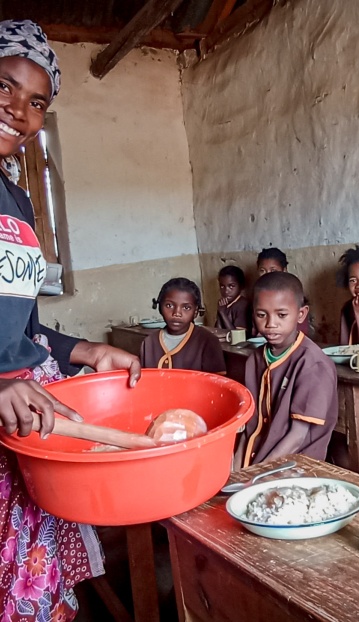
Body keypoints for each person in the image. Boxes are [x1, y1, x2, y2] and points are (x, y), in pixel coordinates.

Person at [0, 20, 141, 620]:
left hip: (22, 419)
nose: (18, 110)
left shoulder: (16, 199)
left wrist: (85, 351)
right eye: (4, 86)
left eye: (37, 102)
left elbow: (20, 326)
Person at [234, 272, 337, 468]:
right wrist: (235, 473)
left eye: (281, 315)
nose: (271, 324)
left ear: (301, 314)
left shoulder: (313, 364)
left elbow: (297, 438)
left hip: (293, 469)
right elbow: (249, 430)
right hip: (254, 464)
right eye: (261, 314)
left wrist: (254, 476)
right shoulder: (255, 359)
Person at [141, 277, 226, 374]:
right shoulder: (149, 343)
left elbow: (216, 384)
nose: (177, 313)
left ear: (196, 312)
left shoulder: (208, 341)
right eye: (169, 305)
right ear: (160, 307)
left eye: (186, 307)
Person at [256, 247, 312, 336]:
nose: (267, 275)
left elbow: (300, 333)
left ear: (284, 270)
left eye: (273, 270)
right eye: (262, 270)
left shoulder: (291, 296)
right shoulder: (259, 296)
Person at [215, 265, 252, 332]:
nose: (226, 291)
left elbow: (237, 335)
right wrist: (220, 312)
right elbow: (218, 330)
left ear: (241, 286)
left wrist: (222, 313)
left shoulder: (243, 305)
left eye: (231, 286)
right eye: (222, 286)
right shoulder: (223, 304)